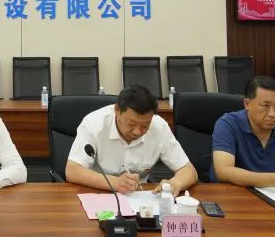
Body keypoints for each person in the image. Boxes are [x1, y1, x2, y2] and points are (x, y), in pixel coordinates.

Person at [66, 84, 197, 196]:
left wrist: (174, 183)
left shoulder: (159, 127)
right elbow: (72, 170)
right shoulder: (94, 124)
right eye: (131, 124)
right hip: (97, 192)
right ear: (117, 110)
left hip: (139, 197)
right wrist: (115, 183)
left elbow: (189, 171)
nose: (137, 131)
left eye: (145, 125)